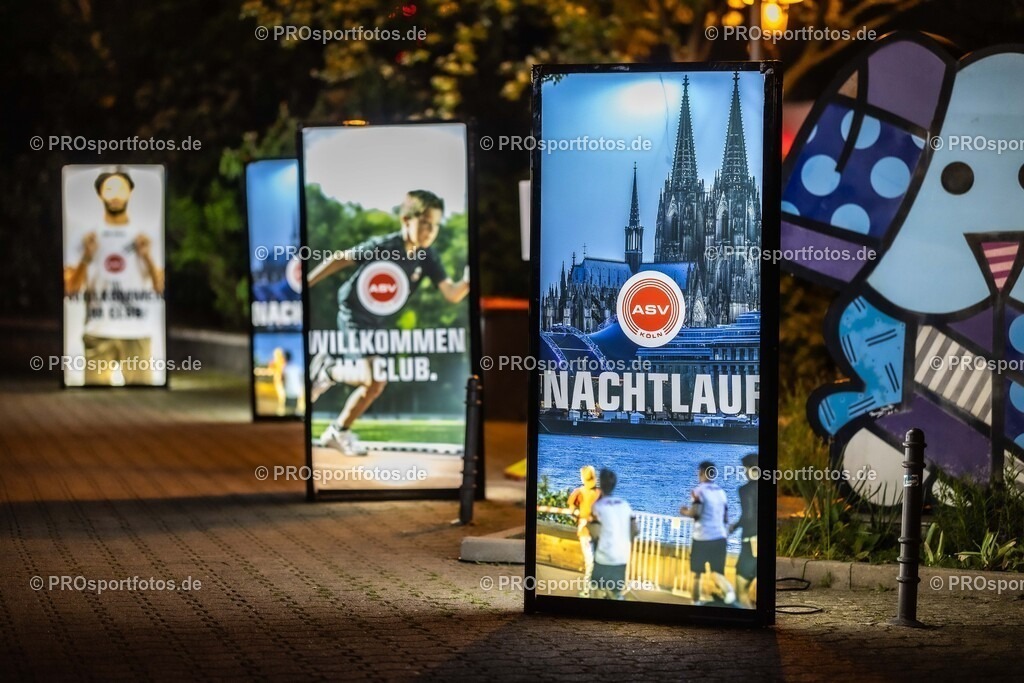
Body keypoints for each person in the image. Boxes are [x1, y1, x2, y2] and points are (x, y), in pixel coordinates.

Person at [308, 190, 470, 456]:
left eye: (436, 225)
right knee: (374, 379)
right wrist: (305, 284)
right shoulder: (385, 245)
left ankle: (338, 428)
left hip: (378, 322)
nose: (431, 230)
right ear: (406, 220)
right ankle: (328, 372)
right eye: (425, 223)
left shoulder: (427, 257)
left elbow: (451, 294)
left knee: (375, 384)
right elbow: (340, 259)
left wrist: (468, 281)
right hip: (354, 312)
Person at [65, 169, 164, 385]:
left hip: (137, 331)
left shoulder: (146, 236)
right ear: (100, 194)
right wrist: (86, 257)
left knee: (143, 405)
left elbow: (161, 287)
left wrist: (147, 257)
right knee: (95, 405)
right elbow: (70, 289)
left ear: (130, 192)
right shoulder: (86, 236)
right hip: (98, 330)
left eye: (121, 188)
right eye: (109, 189)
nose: (115, 194)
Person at [680, 460, 733, 606]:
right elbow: (726, 518)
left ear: (702, 473)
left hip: (702, 537)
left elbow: (695, 514)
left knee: (697, 575)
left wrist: (684, 511)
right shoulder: (721, 492)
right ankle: (728, 591)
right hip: (720, 537)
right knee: (717, 573)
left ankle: (695, 603)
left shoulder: (699, 491)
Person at [590, 468, 637, 600]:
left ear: (601, 484)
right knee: (615, 594)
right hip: (621, 558)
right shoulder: (625, 505)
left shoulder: (597, 506)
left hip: (603, 558)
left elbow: (595, 533)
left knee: (597, 593)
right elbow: (635, 530)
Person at [729, 452, 759, 608]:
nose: (744, 472)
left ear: (750, 469)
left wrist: (733, 527)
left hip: (749, 543)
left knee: (741, 589)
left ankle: (747, 620)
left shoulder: (745, 490)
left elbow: (748, 516)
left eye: (745, 469)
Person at [567, 465, 601, 598]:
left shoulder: (579, 492)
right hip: (594, 531)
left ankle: (589, 591)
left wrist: (581, 517)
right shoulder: (598, 493)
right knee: (593, 561)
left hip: (587, 531)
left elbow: (571, 509)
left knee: (591, 562)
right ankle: (590, 590)